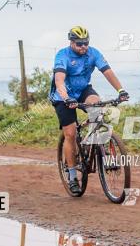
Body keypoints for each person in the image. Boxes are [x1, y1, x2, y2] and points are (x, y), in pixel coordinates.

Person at [50, 25, 129, 194]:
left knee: (97, 107)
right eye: (79, 44)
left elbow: (107, 72)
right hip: (63, 96)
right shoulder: (62, 55)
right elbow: (59, 80)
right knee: (70, 134)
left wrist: (120, 90)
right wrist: (66, 97)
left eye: (85, 43)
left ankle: (102, 151)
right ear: (71, 42)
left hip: (83, 90)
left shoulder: (93, 53)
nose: (83, 46)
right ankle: (72, 176)